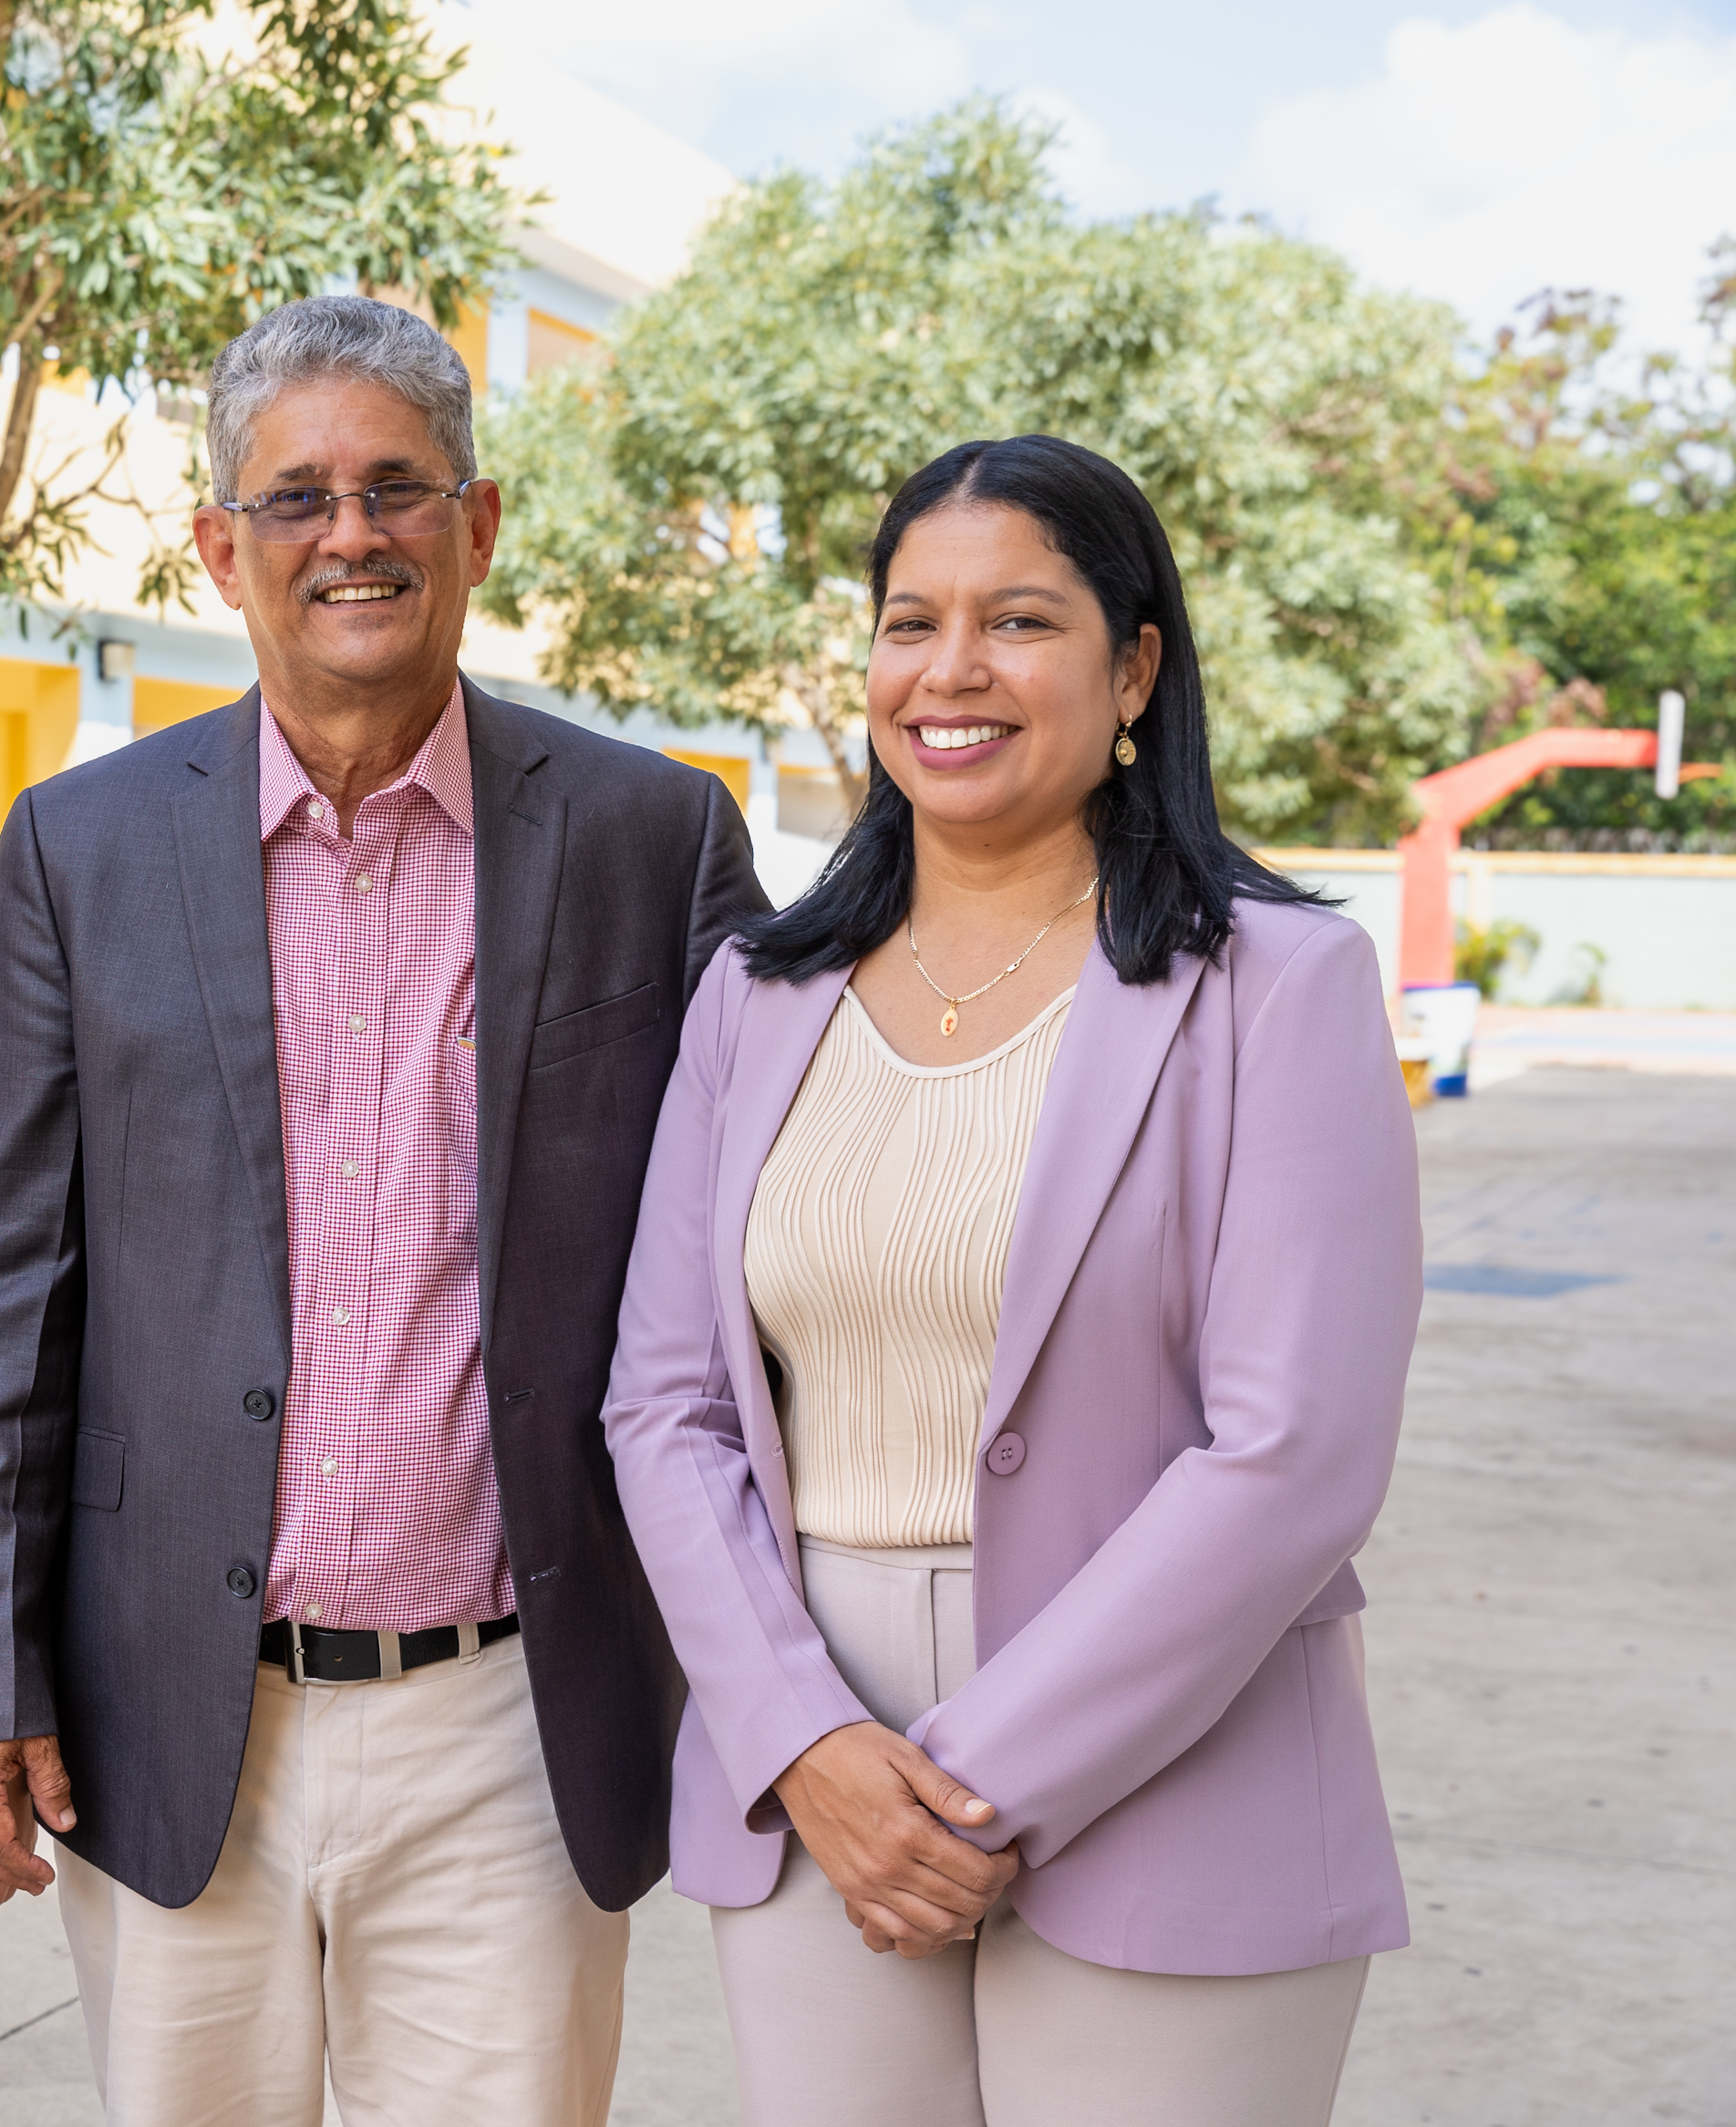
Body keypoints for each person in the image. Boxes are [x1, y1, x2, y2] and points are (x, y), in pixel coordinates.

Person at [0, 294, 771, 2125]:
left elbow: (751, 1256)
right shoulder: (80, 847)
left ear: (479, 524)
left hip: (515, 1719)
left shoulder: (656, 838)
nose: (351, 534)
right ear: (219, 547)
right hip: (175, 1710)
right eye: (295, 497)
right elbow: (4, 1300)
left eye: (397, 487)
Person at [601, 434, 1421, 2127]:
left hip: (1175, 1757)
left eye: (1021, 620)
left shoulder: (1281, 984)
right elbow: (665, 1404)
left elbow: (1294, 1455)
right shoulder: (757, 992)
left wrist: (964, 1788)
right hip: (818, 1761)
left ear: (1136, 670)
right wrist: (804, 1743)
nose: (951, 669)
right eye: (912, 622)